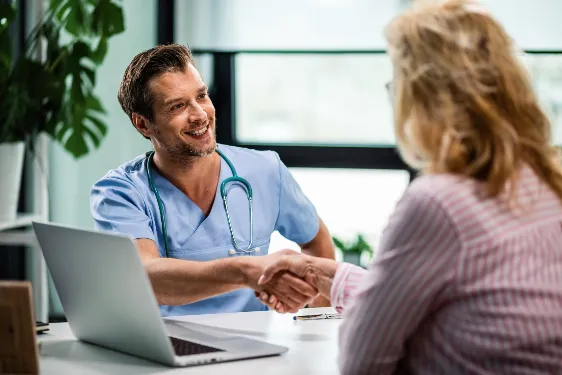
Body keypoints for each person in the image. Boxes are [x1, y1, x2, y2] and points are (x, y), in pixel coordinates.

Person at [257, 1, 562, 374]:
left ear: (426, 95)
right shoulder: (543, 181)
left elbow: (363, 362)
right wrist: (323, 273)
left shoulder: (439, 202)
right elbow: (461, 295)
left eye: (397, 82)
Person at [89, 44, 335, 317]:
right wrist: (246, 271)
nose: (200, 115)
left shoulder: (265, 170)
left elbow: (317, 241)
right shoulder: (120, 191)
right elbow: (144, 276)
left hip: (257, 346)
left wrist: (316, 320)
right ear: (143, 124)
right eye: (178, 106)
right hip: (170, 347)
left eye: (201, 96)